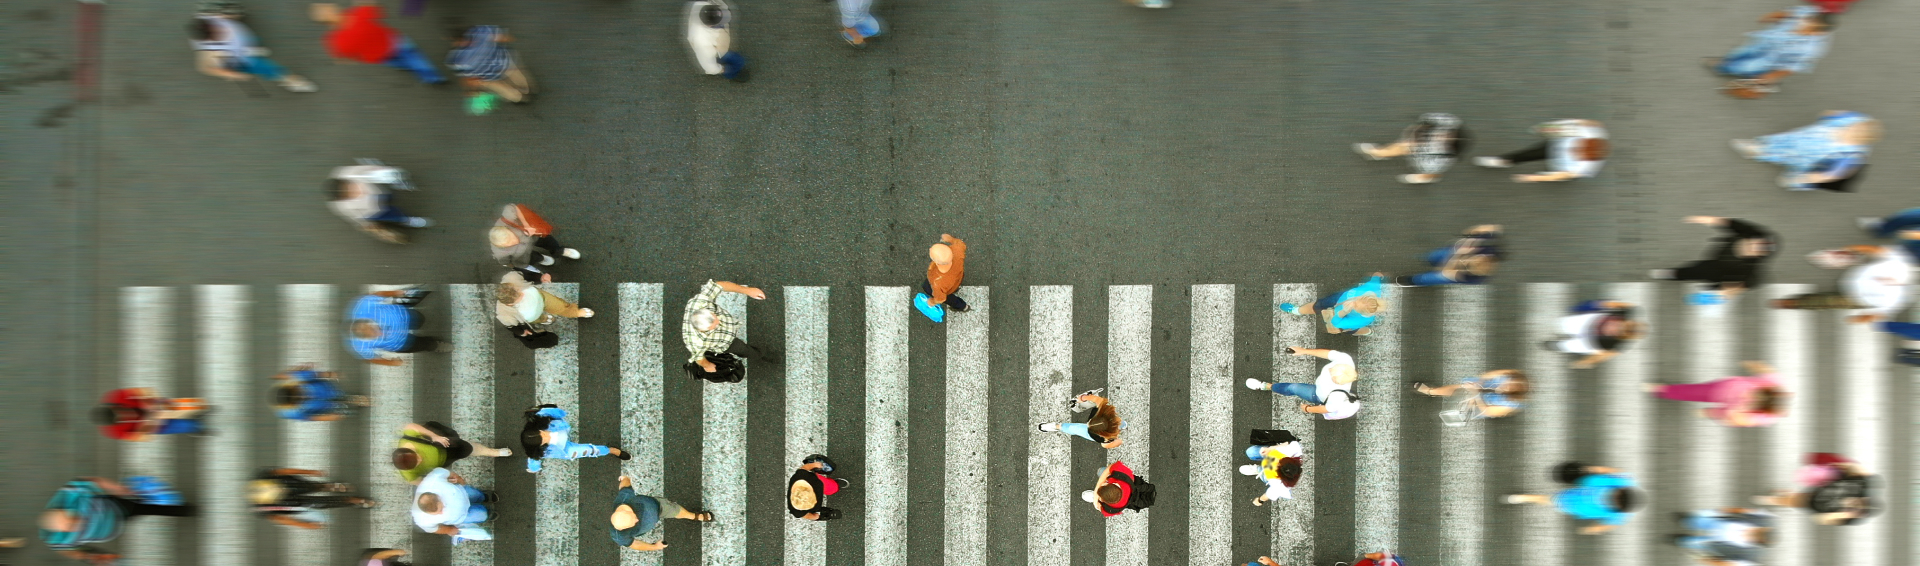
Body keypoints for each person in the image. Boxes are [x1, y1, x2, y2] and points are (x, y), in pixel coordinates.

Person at [40, 477, 195, 564]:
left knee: (146, 508)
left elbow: (95, 482)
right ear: (61, 531)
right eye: (71, 527)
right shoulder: (57, 541)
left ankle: (186, 510)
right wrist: (92, 557)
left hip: (116, 507)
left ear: (65, 509)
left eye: (74, 518)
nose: (79, 524)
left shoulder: (69, 494)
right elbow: (69, 551)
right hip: (112, 529)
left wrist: (119, 489)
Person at [1732, 110, 1878, 191]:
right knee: (1778, 146)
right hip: (1798, 139)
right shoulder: (1857, 119)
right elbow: (1831, 114)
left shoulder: (1852, 156)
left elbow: (1831, 174)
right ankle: (1756, 150)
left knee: (1792, 162)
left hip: (1807, 159)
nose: (1850, 128)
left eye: (1854, 131)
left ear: (1861, 140)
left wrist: (1804, 178)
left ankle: (1793, 179)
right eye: (1854, 126)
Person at [1705, 6, 1833, 96]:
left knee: (1747, 67)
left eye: (1806, 28)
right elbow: (1789, 13)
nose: (1801, 25)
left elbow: (1792, 66)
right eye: (1806, 21)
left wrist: (1771, 76)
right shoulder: (1808, 13)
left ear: (1816, 33)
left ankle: (1727, 69)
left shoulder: (1810, 50)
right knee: (1741, 52)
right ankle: (1730, 65)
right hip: (1765, 41)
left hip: (1772, 59)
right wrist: (1771, 16)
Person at [1649, 217, 1777, 300]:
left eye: (1759, 248)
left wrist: (1719, 294)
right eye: (1758, 242)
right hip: (1720, 254)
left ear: (1760, 255)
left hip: (1718, 270)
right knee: (1697, 269)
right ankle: (1680, 274)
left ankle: (1673, 274)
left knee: (1692, 271)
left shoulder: (1750, 268)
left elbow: (1744, 285)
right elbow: (1729, 223)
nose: (1755, 244)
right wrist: (1706, 220)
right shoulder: (1750, 232)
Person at [317, 0, 445, 84]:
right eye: (333, 9)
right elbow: (379, 11)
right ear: (332, 17)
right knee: (414, 57)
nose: (337, 7)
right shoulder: (358, 15)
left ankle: (406, 67)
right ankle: (432, 77)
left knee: (396, 62)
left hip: (377, 56)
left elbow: (343, 59)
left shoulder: (333, 41)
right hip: (394, 43)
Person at [187, 11, 316, 92]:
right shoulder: (207, 48)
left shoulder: (206, 19)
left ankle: (255, 50)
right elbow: (204, 67)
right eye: (214, 31)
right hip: (245, 60)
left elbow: (220, 17)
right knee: (271, 69)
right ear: (208, 37)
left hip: (246, 40)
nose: (218, 28)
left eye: (213, 25)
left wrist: (232, 15)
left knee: (254, 43)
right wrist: (232, 75)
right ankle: (292, 82)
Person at [1504, 463, 1643, 535]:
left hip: (1576, 503)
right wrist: (1593, 469)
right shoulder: (1626, 481)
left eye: (1616, 500)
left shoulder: (1619, 517)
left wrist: (1592, 530)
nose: (1614, 496)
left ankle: (1523, 498)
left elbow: (1605, 526)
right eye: (1617, 493)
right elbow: (1611, 471)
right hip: (1588, 484)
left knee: (1551, 500)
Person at [1645, 361, 1788, 428]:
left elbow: (1736, 420)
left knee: (1711, 410)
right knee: (1694, 392)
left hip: (1731, 410)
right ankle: (1662, 390)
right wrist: (1752, 365)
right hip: (1722, 389)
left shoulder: (1765, 418)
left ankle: (1706, 412)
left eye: (1756, 401)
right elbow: (1765, 369)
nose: (1752, 396)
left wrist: (1716, 413)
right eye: (1757, 393)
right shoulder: (1774, 383)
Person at [682, 279, 777, 377]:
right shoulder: (696, 341)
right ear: (703, 330)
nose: (718, 321)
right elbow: (698, 358)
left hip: (725, 333)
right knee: (744, 350)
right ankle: (760, 354)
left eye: (714, 316)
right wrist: (708, 365)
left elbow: (718, 285)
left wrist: (748, 291)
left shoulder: (700, 303)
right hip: (726, 343)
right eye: (714, 326)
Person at [1751, 452, 1877, 526]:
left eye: (1859, 509)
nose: (1856, 505)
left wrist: (1845, 514)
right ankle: (1781, 496)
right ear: (1866, 497)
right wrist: (1838, 466)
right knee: (1797, 497)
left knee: (1794, 501)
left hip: (1817, 502)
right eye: (1861, 502)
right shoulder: (1863, 483)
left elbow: (1820, 519)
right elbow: (1855, 467)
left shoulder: (1851, 518)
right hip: (1828, 483)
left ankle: (1771, 499)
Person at [1473, 119, 1609, 183]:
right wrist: (1548, 128)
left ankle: (1505, 161)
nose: (1574, 149)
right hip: (1555, 146)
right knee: (1531, 153)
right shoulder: (1588, 133)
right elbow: (1587, 123)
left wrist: (1535, 177)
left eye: (1578, 153)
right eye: (1579, 145)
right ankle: (1504, 161)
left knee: (1564, 177)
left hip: (1563, 163)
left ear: (1584, 158)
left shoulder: (1583, 167)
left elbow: (1563, 174)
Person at [1353, 113, 1471, 184]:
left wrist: (1416, 147)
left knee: (1430, 171)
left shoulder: (1443, 158)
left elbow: (1429, 163)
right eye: (1446, 135)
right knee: (1405, 146)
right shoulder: (1450, 123)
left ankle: (1427, 178)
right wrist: (1419, 132)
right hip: (1422, 144)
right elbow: (1426, 120)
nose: (1441, 137)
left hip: (1429, 159)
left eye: (1445, 141)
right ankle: (1380, 153)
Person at [1247, 348, 1361, 420]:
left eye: (1332, 375)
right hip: (1321, 390)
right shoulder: (1346, 360)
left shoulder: (1337, 398)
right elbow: (1328, 354)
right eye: (1334, 367)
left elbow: (1327, 409)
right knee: (1294, 388)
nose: (1330, 370)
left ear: (1337, 382)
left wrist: (1308, 409)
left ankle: (1266, 386)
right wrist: (1304, 351)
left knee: (1293, 388)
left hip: (1316, 394)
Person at [328, 162, 430, 244]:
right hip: (374, 212)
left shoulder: (349, 173)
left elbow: (367, 169)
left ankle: (403, 217)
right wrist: (369, 225)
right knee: (394, 214)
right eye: (350, 194)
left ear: (347, 181)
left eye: (351, 187)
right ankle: (407, 220)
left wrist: (381, 169)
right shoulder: (342, 207)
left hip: (379, 193)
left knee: (390, 197)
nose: (355, 191)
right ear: (344, 198)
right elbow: (356, 217)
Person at [347, 288, 450, 367]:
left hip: (403, 316)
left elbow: (377, 295)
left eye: (375, 329)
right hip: (400, 343)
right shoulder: (359, 347)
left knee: (420, 319)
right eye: (373, 336)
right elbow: (371, 358)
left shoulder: (363, 305)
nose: (379, 334)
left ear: (370, 322)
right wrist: (390, 363)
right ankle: (434, 345)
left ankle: (421, 291)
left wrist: (395, 293)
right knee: (423, 345)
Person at [611, 474, 712, 551]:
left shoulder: (624, 498)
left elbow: (625, 486)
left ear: (627, 510)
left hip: (659, 506)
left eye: (634, 517)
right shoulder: (618, 535)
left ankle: (693, 516)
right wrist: (654, 547)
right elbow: (635, 544)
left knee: (675, 510)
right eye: (634, 522)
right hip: (651, 515)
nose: (637, 519)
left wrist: (625, 478)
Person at [249, 468, 375, 529]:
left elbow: (284, 471)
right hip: (292, 503)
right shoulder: (262, 508)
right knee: (320, 503)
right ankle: (352, 500)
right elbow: (281, 519)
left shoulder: (262, 478)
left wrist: (309, 472)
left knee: (311, 487)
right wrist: (304, 524)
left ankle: (328, 487)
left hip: (291, 485)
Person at [393, 421, 511, 485]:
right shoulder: (408, 474)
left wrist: (434, 436)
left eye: (417, 456)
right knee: (465, 449)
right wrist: (444, 480)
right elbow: (419, 482)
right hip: (444, 461)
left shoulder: (408, 439)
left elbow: (411, 426)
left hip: (442, 444)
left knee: (467, 448)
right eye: (417, 463)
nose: (421, 460)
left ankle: (491, 452)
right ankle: (488, 451)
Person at [522, 404, 630, 473]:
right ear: (540, 446)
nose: (547, 436)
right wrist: (534, 468)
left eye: (543, 433)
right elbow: (533, 463)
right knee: (590, 450)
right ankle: (611, 450)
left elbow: (556, 412)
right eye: (544, 440)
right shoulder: (535, 453)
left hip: (562, 430)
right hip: (565, 449)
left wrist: (540, 411)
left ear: (539, 429)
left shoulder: (542, 419)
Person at [1543, 300, 1646, 369]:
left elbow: (1604, 355)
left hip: (1589, 344)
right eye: (1621, 325)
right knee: (1558, 325)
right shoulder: (1624, 312)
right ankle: (1551, 334)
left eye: (1621, 331)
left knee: (1563, 346)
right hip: (1587, 323)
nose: (1616, 328)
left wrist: (1586, 362)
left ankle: (1552, 344)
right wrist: (1591, 306)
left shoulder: (1620, 345)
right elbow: (1611, 304)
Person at [447, 26, 532, 107]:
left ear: (452, 39)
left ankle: (518, 98)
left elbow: (467, 77)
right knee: (518, 77)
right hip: (504, 63)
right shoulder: (481, 31)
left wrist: (470, 90)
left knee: (503, 89)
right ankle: (526, 88)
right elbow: (506, 38)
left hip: (487, 77)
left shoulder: (456, 58)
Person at [1394, 225, 1502, 287]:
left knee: (1432, 277)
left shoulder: (1472, 278)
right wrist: (1472, 238)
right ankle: (1429, 260)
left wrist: (1459, 255)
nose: (1466, 263)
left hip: (1453, 264)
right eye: (1472, 261)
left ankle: (1412, 280)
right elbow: (1493, 228)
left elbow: (1445, 272)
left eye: (1467, 266)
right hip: (1455, 253)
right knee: (1432, 256)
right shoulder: (1489, 250)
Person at [1279, 273, 1387, 335]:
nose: (1352, 302)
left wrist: (1344, 311)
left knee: (1353, 329)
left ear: (1359, 312)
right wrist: (1377, 275)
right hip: (1338, 298)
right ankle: (1297, 311)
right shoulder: (1373, 288)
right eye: (1357, 299)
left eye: (1355, 306)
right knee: (1318, 305)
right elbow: (1376, 277)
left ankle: (1366, 331)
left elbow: (1335, 323)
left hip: (1341, 315)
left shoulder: (1361, 319)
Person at [494, 271, 595, 336]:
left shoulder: (512, 278)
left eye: (518, 290)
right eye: (519, 297)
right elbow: (511, 326)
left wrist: (540, 277)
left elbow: (525, 274)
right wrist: (521, 332)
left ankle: (576, 312)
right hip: (533, 316)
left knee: (561, 306)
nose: (522, 294)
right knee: (539, 319)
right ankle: (544, 318)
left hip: (542, 298)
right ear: (510, 304)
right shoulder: (504, 314)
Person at [490, 204, 580, 276]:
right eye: (510, 244)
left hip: (532, 237)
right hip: (523, 254)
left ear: (508, 229)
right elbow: (506, 263)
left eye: (513, 237)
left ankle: (559, 250)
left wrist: (526, 225)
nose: (516, 242)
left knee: (548, 241)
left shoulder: (506, 221)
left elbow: (514, 207)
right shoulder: (499, 254)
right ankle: (541, 258)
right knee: (532, 258)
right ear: (502, 247)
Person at [411, 467, 494, 542]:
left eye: (441, 508)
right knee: (482, 515)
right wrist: (449, 530)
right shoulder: (421, 520)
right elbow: (434, 529)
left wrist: (459, 479)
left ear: (438, 496)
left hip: (464, 493)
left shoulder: (433, 480)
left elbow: (443, 472)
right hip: (462, 516)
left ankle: (484, 497)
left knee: (475, 494)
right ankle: (487, 513)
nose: (441, 513)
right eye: (437, 513)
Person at [94, 387, 210, 441]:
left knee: (191, 405)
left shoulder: (117, 396)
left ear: (114, 406)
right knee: (183, 426)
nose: (124, 416)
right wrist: (149, 423)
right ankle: (195, 426)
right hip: (153, 425)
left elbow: (146, 391)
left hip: (156, 406)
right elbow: (142, 437)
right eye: (119, 419)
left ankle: (201, 409)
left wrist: (148, 402)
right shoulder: (115, 432)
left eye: (120, 412)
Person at [1671, 508, 1774, 566]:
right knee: (1697, 524)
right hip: (1717, 524)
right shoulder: (1759, 518)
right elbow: (1739, 511)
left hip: (1714, 544)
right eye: (1758, 530)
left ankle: (1681, 539)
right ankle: (1685, 523)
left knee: (1694, 543)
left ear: (1759, 542)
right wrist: (1718, 512)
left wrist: (1706, 560)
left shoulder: (1749, 556)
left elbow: (1726, 564)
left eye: (1757, 534)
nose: (1754, 531)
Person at [1413, 369, 1529, 419]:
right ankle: (1431, 391)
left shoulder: (1509, 403)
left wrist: (1476, 395)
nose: (1505, 384)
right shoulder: (1508, 376)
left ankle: (1456, 408)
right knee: (1461, 386)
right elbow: (1488, 375)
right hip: (1483, 387)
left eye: (1509, 387)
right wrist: (1479, 383)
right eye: (1508, 381)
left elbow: (1488, 411)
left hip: (1485, 404)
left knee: (1469, 402)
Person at [272, 365, 370, 422]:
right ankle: (353, 403)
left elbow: (317, 374)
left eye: (298, 393)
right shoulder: (290, 413)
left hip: (326, 388)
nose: (302, 396)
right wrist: (331, 417)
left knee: (343, 396)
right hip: (323, 406)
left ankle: (355, 399)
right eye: (298, 399)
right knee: (343, 408)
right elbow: (311, 417)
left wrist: (333, 375)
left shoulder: (298, 378)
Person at [1035, 389, 1123, 448]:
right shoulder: (1106, 439)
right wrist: (1084, 398)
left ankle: (1057, 426)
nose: (1087, 424)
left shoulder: (1103, 412)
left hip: (1095, 432)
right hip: (1105, 431)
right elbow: (1111, 443)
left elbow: (1099, 400)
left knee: (1073, 428)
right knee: (1073, 429)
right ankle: (1120, 426)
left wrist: (1083, 398)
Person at [685, 1, 748, 82]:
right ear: (710, 25)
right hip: (715, 49)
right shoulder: (702, 41)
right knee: (739, 61)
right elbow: (707, 63)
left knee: (736, 59)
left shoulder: (700, 6)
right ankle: (730, 74)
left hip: (717, 42)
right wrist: (720, 69)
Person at [1238, 431, 1304, 506]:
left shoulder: (1280, 486)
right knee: (1251, 452)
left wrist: (1260, 500)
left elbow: (1269, 494)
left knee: (1264, 474)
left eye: (1277, 466)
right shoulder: (1294, 451)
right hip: (1270, 454)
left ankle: (1259, 470)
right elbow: (1287, 444)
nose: (1276, 463)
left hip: (1270, 464)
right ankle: (1261, 469)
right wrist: (1270, 449)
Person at [920, 234, 972, 318]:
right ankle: (961, 301)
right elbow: (960, 243)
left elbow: (940, 298)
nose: (930, 249)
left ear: (937, 263)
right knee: (954, 285)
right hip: (958, 278)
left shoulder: (937, 282)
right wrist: (951, 239)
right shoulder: (957, 251)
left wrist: (932, 302)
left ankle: (962, 306)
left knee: (928, 287)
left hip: (946, 288)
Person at [787, 454, 848, 521]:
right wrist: (815, 465)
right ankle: (827, 513)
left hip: (817, 482)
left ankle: (834, 487)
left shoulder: (800, 476)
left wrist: (815, 516)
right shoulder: (800, 477)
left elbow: (804, 468)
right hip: (817, 482)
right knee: (832, 488)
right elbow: (804, 468)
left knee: (833, 488)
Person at [1082, 460, 1149, 516]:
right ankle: (1096, 497)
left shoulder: (1109, 509)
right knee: (1102, 471)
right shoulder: (1112, 509)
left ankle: (1094, 497)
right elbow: (1113, 466)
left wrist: (1096, 499)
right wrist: (1097, 493)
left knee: (1101, 471)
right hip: (1129, 492)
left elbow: (1100, 508)